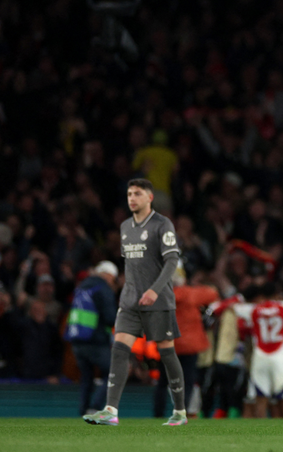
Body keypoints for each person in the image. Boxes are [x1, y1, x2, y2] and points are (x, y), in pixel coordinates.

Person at [83, 178, 188, 427]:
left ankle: (181, 412)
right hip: (130, 302)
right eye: (129, 194)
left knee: (167, 354)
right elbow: (133, 264)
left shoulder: (163, 225)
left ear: (149, 197)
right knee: (119, 350)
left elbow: (171, 262)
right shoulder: (125, 227)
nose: (132, 198)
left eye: (137, 194)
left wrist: (153, 290)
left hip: (158, 300)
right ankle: (110, 410)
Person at [231, 283, 283, 418]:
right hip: (280, 358)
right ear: (277, 294)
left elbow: (234, 307)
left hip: (260, 357)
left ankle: (261, 435)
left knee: (260, 398)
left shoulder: (253, 309)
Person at [154, 266, 218, 417]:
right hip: (189, 346)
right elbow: (212, 294)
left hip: (167, 344)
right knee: (187, 382)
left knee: (163, 382)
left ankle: (158, 414)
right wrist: (194, 284)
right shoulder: (190, 293)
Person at [69, 260, 119, 416]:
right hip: (95, 341)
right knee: (113, 373)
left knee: (87, 377)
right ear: (109, 275)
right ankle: (95, 407)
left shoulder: (82, 287)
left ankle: (83, 410)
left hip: (77, 340)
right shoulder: (103, 288)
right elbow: (110, 317)